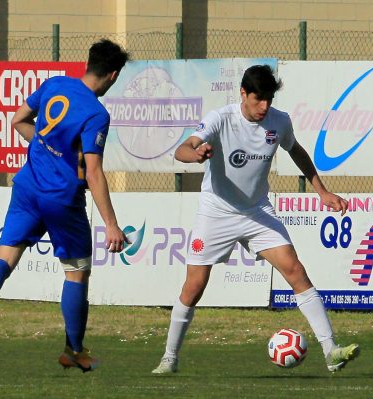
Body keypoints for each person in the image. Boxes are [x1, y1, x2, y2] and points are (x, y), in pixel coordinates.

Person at [152, 64, 360, 374]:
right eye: (258, 99)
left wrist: (322, 192)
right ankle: (169, 359)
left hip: (257, 211)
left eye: (269, 100)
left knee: (295, 270)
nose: (264, 107)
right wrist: (195, 155)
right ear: (243, 94)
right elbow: (184, 148)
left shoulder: (280, 122)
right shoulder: (220, 119)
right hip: (217, 211)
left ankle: (331, 351)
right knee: (194, 286)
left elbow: (297, 151)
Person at [0, 39, 130, 373]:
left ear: (87, 63)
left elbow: (18, 119)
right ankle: (74, 351)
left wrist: (47, 146)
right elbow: (93, 171)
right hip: (61, 198)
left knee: (4, 257)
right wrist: (111, 223)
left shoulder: (55, 84)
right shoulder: (96, 113)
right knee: (77, 272)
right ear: (112, 75)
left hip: (26, 187)